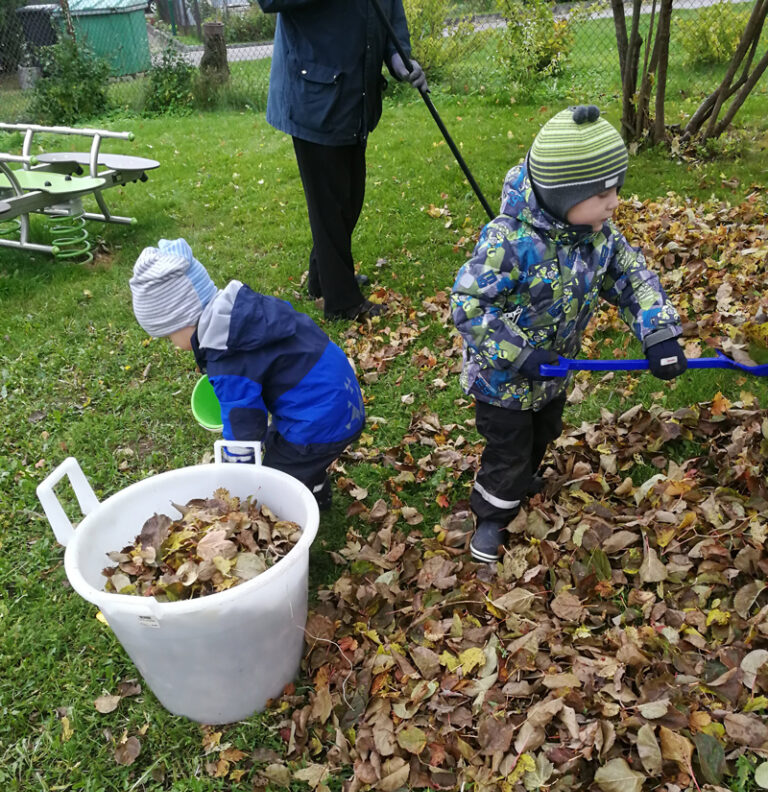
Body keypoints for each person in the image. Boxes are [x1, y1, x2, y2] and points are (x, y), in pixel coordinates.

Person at [451, 105, 687, 563]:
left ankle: (518, 481)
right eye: (604, 193)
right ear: (564, 196)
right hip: (502, 382)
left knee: (545, 432)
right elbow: (468, 305)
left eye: (616, 189)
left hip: (554, 374)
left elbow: (633, 278)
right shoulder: (509, 243)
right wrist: (519, 354)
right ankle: (492, 516)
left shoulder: (598, 236)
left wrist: (659, 332)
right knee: (510, 451)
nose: (615, 202)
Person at [129, 238, 365, 510]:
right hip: (339, 397)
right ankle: (314, 484)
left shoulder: (228, 359)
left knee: (277, 481)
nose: (172, 343)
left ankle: (295, 517)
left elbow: (244, 433)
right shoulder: (244, 315)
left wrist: (234, 483)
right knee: (283, 445)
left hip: (321, 419)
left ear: (185, 319)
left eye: (169, 334)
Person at [257, 0, 427, 322]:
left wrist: (399, 58)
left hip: (353, 95)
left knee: (348, 197)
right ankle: (341, 301)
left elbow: (388, 11)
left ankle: (324, 279)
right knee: (329, 201)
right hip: (313, 94)